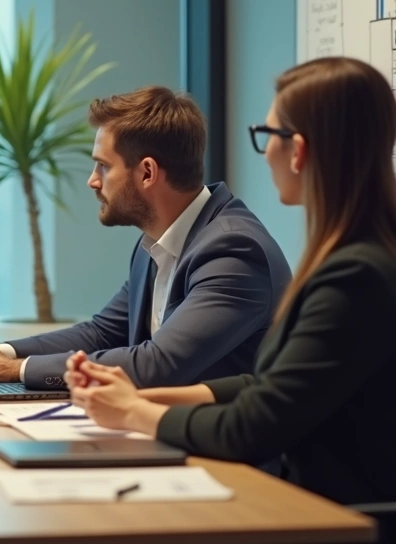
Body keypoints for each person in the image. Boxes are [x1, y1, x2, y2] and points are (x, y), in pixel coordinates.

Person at [65, 57, 396, 507]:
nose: (266, 153)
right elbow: (272, 383)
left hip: (337, 519)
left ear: (297, 150)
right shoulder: (358, 258)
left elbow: (254, 426)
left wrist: (133, 411)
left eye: (268, 135)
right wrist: (163, 397)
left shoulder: (356, 275)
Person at [0, 86, 290, 389]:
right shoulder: (156, 243)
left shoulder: (233, 252)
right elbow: (103, 333)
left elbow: (158, 364)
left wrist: (16, 370)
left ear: (147, 172)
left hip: (223, 451)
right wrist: (2, 352)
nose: (92, 181)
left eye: (103, 166)